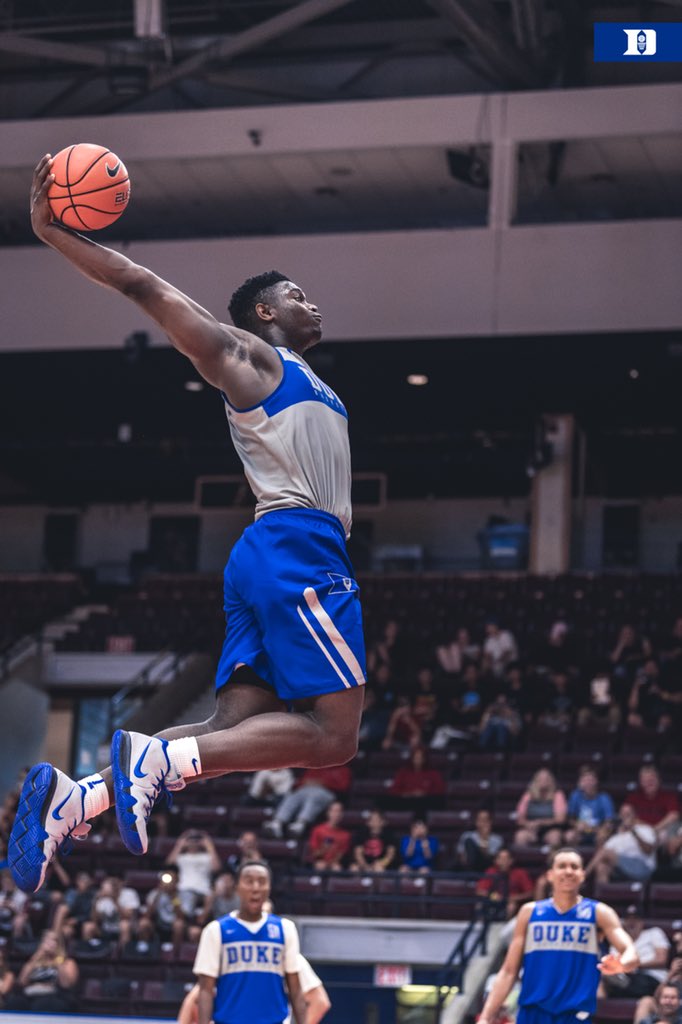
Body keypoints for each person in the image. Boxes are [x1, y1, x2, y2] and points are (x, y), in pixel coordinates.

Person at [10, 154, 367, 895]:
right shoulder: (249, 358)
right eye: (298, 295)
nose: (314, 304)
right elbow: (145, 286)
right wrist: (53, 233)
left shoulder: (308, 378)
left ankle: (79, 799)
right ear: (264, 312)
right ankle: (156, 763)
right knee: (335, 738)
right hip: (298, 548)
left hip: (272, 554)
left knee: (223, 733)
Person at [477, 847, 639, 1024]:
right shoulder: (529, 912)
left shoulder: (600, 912)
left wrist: (622, 965)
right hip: (532, 1013)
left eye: (574, 867)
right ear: (550, 875)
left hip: (574, 1014)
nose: (568, 871)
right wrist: (485, 1017)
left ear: (583, 875)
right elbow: (509, 971)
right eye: (562, 866)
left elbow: (630, 952)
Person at [191, 860, 308, 1024]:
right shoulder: (215, 930)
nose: (255, 888)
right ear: (237, 887)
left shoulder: (285, 928)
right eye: (249, 881)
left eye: (262, 882)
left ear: (269, 888)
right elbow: (205, 990)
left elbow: (295, 989)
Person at [599, 906, 670, 999]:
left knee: (636, 983)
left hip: (651, 977)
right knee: (601, 974)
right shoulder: (619, 940)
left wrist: (634, 965)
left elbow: (661, 960)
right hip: (626, 977)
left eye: (636, 919)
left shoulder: (654, 933)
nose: (632, 922)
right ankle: (599, 1009)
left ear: (642, 922)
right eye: (628, 919)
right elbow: (614, 963)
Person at [263, 764, 351, 839]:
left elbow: (343, 787)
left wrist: (323, 783)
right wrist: (304, 783)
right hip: (306, 789)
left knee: (314, 797)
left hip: (326, 791)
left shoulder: (343, 769)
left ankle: (300, 824)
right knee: (292, 796)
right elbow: (299, 782)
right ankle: (277, 823)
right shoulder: (316, 766)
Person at [5, 928, 79, 1014]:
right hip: (31, 994)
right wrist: (37, 956)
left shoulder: (67, 962)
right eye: (46, 941)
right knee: (14, 1003)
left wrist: (57, 958)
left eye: (53, 941)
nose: (49, 944)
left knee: (42, 1005)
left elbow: (66, 985)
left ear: (59, 944)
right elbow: (22, 982)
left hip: (52, 996)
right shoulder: (35, 961)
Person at [514, 769, 567, 849]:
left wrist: (540, 822)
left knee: (554, 837)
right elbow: (520, 819)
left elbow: (560, 819)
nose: (543, 781)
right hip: (531, 830)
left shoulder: (557, 795)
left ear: (551, 781)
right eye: (541, 779)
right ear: (535, 781)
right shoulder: (528, 795)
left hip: (551, 829)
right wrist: (529, 824)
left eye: (546, 779)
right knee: (520, 836)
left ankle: (553, 860)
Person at [307, 800, 352, 872]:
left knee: (337, 868)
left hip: (334, 863)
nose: (337, 814)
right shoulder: (318, 830)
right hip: (319, 862)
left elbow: (341, 854)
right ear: (328, 813)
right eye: (334, 811)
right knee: (320, 866)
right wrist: (324, 848)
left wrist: (330, 863)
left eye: (339, 811)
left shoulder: (345, 835)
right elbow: (314, 854)